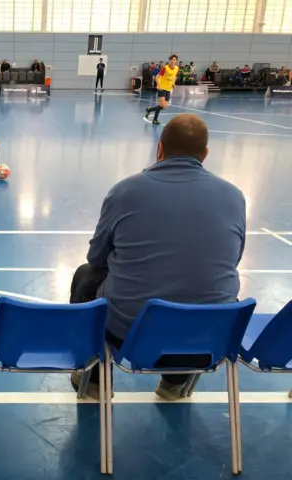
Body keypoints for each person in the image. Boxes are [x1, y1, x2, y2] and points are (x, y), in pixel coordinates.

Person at [69, 114, 246, 401]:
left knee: (86, 275)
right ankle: (175, 385)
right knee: (203, 294)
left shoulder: (125, 191)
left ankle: (94, 379)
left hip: (131, 334)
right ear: (205, 154)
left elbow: (97, 257)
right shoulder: (235, 196)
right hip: (209, 338)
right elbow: (233, 259)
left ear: (159, 149)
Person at [144, 54, 179, 125]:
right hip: (162, 88)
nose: (173, 61)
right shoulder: (165, 68)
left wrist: (173, 83)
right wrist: (159, 86)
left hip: (168, 89)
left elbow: (174, 76)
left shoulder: (176, 68)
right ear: (169, 60)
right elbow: (157, 77)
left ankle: (149, 110)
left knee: (164, 106)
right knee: (162, 104)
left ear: (176, 61)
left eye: (174, 59)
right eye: (172, 59)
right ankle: (155, 120)